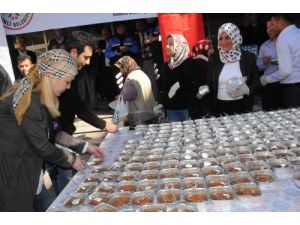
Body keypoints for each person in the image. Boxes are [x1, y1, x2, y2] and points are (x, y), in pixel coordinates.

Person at [0, 49, 86, 211]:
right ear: (53, 77)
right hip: (12, 178)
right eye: (67, 81)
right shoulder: (29, 98)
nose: (68, 87)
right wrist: (72, 159)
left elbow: (54, 133)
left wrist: (85, 146)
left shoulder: (38, 93)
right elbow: (42, 146)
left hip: (30, 174)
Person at [51, 31, 117, 194]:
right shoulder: (57, 78)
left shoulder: (69, 75)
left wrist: (85, 146)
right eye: (85, 57)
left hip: (61, 136)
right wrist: (102, 125)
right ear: (74, 52)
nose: (87, 63)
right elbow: (77, 107)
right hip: (54, 142)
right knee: (66, 185)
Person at [207, 23, 259, 116]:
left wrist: (247, 90)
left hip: (242, 105)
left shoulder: (248, 57)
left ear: (235, 37)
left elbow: (256, 81)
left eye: (227, 37)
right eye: (221, 38)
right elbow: (209, 82)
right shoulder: (214, 58)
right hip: (219, 106)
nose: (224, 42)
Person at [260, 14, 300, 109]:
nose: (271, 28)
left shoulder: (282, 38)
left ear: (281, 22)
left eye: (273, 24)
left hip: (292, 91)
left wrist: (266, 79)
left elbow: (285, 71)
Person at [158, 34, 201, 122]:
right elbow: (164, 87)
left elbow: (195, 86)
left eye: (171, 44)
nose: (167, 46)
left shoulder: (189, 63)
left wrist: (178, 85)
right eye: (167, 44)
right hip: (171, 110)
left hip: (186, 109)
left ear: (180, 45)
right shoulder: (166, 65)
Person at [113, 56, 156, 127]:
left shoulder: (131, 77)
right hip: (149, 112)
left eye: (122, 67)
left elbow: (130, 96)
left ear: (126, 65)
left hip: (138, 116)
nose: (121, 70)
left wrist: (121, 96)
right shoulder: (142, 73)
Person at [257, 20, 280, 111]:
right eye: (267, 28)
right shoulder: (264, 46)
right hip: (269, 85)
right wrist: (264, 62)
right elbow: (259, 66)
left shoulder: (286, 43)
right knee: (270, 111)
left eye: (271, 26)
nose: (269, 30)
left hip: (285, 82)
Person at [190, 39, 214, 119]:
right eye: (210, 48)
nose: (212, 50)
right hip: (203, 105)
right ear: (204, 49)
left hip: (199, 103)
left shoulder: (197, 61)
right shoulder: (201, 63)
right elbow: (200, 87)